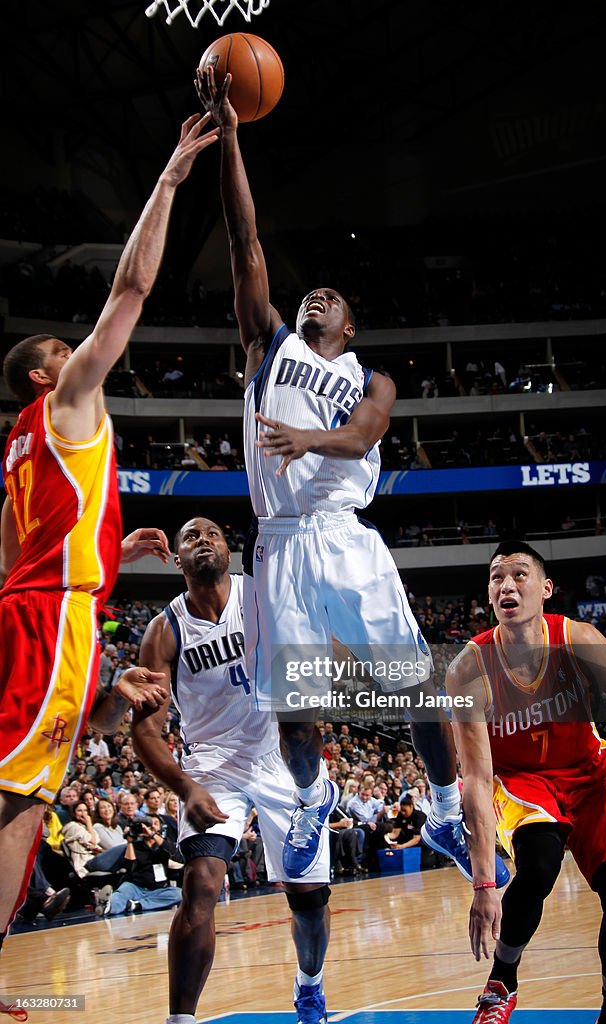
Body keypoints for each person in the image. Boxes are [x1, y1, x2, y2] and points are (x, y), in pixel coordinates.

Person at [195, 66, 508, 891]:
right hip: (283, 548)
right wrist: (230, 134)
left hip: (346, 541)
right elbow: (244, 240)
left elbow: (366, 433)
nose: (316, 296)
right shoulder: (269, 347)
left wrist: (309, 436)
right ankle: (311, 798)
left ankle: (442, 810)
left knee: (414, 689)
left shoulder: (374, 380)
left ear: (350, 325)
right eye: (311, 293)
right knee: (295, 714)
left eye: (330, 297)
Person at [0, 113, 219, 940]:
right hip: (54, 613)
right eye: (66, 349)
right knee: (24, 800)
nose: (82, 354)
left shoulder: (15, 451)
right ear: (38, 374)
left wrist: (103, 553)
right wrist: (167, 180)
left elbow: (17, 556)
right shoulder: (61, 401)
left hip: (40, 605)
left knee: (26, 787)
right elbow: (129, 291)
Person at [446, 540, 606, 1024]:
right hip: (520, 780)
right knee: (538, 862)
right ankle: (501, 982)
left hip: (591, 775)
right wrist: (484, 884)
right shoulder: (468, 668)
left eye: (519, 575)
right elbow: (475, 778)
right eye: (496, 577)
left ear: (546, 588)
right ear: (488, 594)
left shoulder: (578, 639)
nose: (507, 585)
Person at [132, 518, 333, 1024]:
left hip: (277, 758)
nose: (203, 540)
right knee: (200, 885)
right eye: (190, 537)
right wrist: (186, 784)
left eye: (213, 534)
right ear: (176, 559)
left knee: (308, 902)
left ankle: (309, 984)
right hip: (212, 765)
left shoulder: (262, 596)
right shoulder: (164, 630)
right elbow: (146, 733)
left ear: (230, 549)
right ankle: (181, 1019)